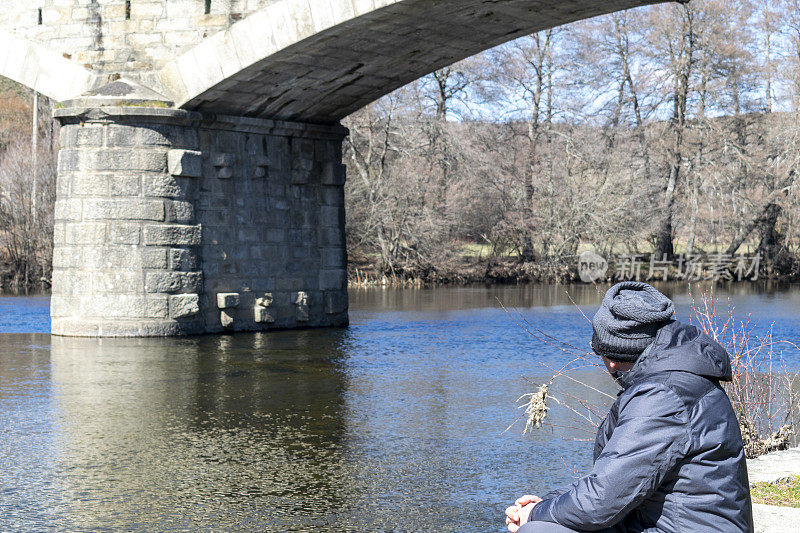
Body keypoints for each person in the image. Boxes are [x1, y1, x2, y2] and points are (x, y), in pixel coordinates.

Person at [505, 281, 753, 532]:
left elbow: (599, 503)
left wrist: (536, 514)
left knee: (537, 530)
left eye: (596, 350)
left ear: (612, 359)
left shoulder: (662, 397)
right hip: (666, 522)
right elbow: (617, 481)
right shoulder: (676, 376)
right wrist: (549, 503)